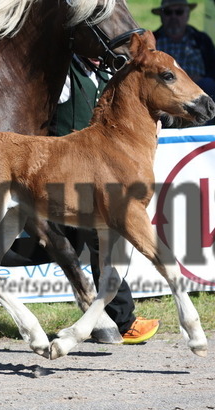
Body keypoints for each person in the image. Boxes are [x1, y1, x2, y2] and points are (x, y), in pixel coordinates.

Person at [48, 56, 160, 345]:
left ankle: (118, 320)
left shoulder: (111, 71)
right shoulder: (63, 71)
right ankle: (124, 321)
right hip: (64, 166)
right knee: (90, 241)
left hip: (101, 169)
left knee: (85, 241)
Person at [152, 0, 215, 107]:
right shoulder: (152, 41)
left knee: (208, 84)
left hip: (197, 92)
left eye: (179, 12)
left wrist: (200, 78)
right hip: (164, 94)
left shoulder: (201, 40)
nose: (174, 17)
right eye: (168, 12)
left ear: (187, 15)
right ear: (161, 16)